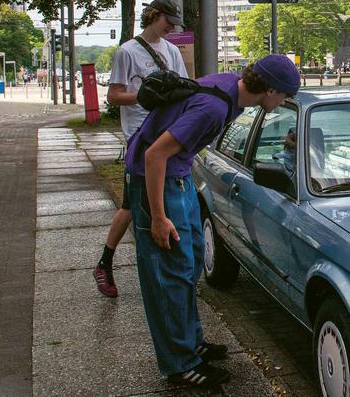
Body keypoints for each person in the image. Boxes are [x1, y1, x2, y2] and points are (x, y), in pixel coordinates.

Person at [125, 54, 300, 387]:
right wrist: (158, 216)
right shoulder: (214, 109)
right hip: (158, 181)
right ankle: (179, 364)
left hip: (178, 177)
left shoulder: (229, 88)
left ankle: (192, 343)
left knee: (189, 262)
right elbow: (154, 155)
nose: (285, 102)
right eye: (285, 95)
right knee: (170, 274)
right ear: (272, 91)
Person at [94, 0, 189, 298]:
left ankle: (107, 262)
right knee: (139, 205)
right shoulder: (127, 52)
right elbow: (113, 96)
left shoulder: (172, 51)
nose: (171, 29)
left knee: (135, 205)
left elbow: (182, 87)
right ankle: (114, 264)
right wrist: (144, 97)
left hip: (164, 134)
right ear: (153, 16)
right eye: (167, 22)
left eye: (174, 24)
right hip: (139, 136)